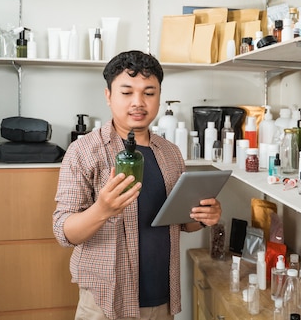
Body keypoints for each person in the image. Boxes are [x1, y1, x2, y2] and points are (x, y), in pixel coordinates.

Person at [53, 50, 222, 320]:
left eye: (149, 92)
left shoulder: (170, 152)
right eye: (127, 92)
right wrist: (103, 209)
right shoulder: (84, 151)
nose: (138, 102)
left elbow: (182, 222)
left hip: (162, 299)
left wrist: (204, 217)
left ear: (159, 97)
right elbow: (64, 233)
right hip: (105, 302)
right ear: (108, 96)